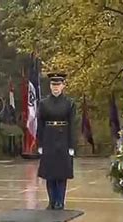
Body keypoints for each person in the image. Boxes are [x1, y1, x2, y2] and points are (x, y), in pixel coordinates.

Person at [37, 73, 76, 210]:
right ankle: (52, 200)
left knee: (61, 173)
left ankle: (60, 200)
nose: (56, 88)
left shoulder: (69, 103)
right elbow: (40, 124)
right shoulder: (44, 103)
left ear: (63, 86)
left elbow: (72, 124)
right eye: (53, 85)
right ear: (50, 86)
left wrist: (71, 145)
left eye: (58, 85)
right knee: (50, 173)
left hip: (63, 138)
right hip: (49, 138)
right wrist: (40, 143)